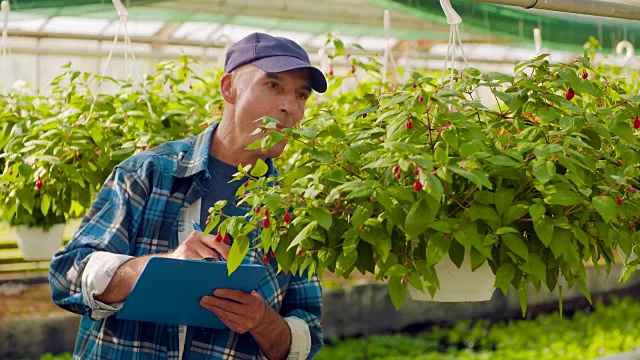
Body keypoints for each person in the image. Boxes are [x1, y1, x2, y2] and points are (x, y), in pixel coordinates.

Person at [49, 32, 328, 360]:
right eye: (273, 85)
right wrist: (158, 267)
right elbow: (68, 277)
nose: (290, 107)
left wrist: (264, 321)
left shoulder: (293, 212)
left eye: (301, 95)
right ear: (229, 88)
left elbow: (307, 333)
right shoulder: (148, 173)